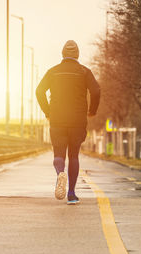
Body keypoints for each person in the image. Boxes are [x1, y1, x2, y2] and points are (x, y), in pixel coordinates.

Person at [36, 40, 100, 205]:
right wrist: (92, 111)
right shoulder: (84, 72)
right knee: (73, 155)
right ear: (77, 55)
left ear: (63, 54)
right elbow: (96, 90)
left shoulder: (53, 72)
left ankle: (60, 173)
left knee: (59, 154)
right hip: (77, 120)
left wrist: (47, 111)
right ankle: (71, 194)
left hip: (57, 119)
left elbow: (39, 91)